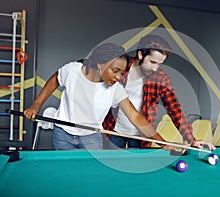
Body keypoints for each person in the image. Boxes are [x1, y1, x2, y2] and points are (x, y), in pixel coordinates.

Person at [24, 42, 167, 150]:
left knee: (90, 175)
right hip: (63, 134)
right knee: (66, 174)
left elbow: (135, 117)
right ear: (100, 65)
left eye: (122, 72)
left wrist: (162, 142)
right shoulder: (74, 70)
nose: (118, 77)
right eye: (115, 70)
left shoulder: (116, 89)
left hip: (91, 137)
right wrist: (37, 104)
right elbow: (56, 79)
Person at [103, 35, 216, 151]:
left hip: (142, 136)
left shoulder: (161, 78)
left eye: (159, 64)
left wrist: (191, 139)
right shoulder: (121, 67)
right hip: (113, 130)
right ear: (140, 54)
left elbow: (175, 109)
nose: (155, 68)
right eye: (152, 62)